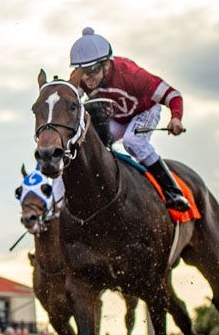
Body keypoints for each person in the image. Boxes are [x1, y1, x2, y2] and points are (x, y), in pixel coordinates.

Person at [69, 27, 190, 211]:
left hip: (144, 111)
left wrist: (176, 118)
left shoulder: (131, 75)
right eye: (81, 71)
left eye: (91, 71)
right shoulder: (83, 78)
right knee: (92, 141)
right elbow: (68, 98)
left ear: (106, 65)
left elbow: (173, 95)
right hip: (118, 118)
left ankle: (172, 191)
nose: (86, 78)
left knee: (132, 141)